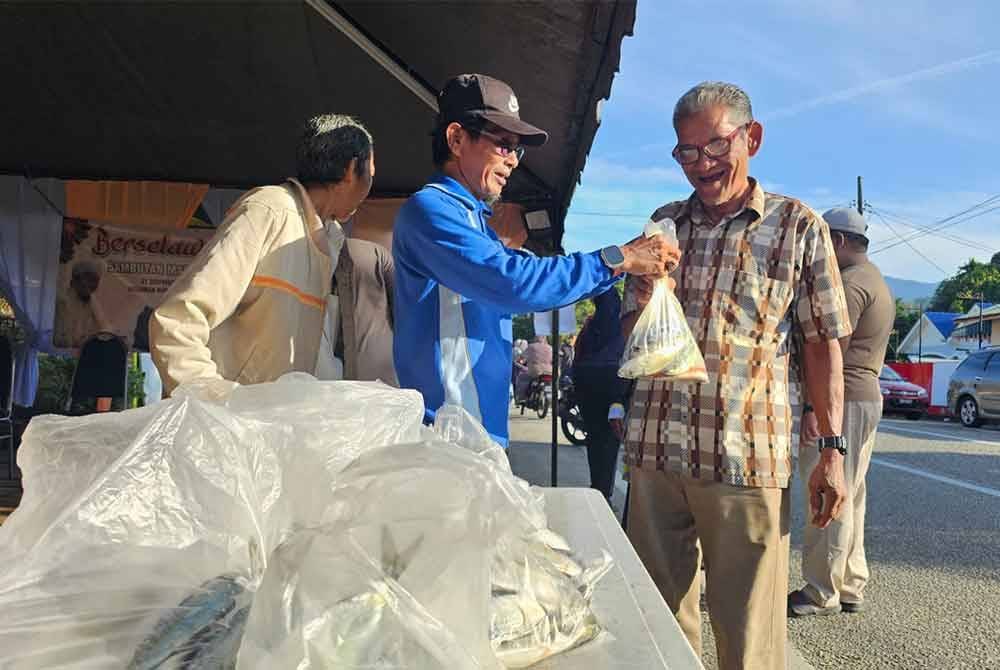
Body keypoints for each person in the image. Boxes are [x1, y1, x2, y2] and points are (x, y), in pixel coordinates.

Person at [621, 81, 852, 670]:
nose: (702, 164)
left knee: (749, 636)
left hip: (745, 458)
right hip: (655, 452)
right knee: (655, 627)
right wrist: (644, 287)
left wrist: (831, 451)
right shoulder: (663, 224)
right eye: (686, 152)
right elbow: (632, 337)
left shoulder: (798, 226)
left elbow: (823, 344)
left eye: (715, 145)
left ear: (752, 137)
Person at [392, 73, 678, 446]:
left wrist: (623, 265)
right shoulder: (432, 209)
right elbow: (515, 282)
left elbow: (534, 279)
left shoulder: (476, 223)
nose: (513, 161)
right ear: (457, 139)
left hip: (473, 433)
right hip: (449, 434)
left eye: (517, 150)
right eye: (503, 145)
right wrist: (618, 259)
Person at [150, 114, 382, 396]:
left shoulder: (331, 241)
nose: (371, 184)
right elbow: (178, 319)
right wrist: (214, 402)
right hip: (235, 430)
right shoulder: (269, 211)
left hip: (281, 428)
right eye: (370, 171)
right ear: (349, 170)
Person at [788, 208, 894, 617]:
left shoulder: (847, 285)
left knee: (826, 489)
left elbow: (831, 353)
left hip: (843, 397)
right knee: (852, 492)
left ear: (838, 242)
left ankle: (820, 591)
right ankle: (850, 583)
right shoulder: (876, 279)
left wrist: (815, 407)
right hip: (865, 394)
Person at [572, 287, 629, 500]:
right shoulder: (623, 323)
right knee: (610, 441)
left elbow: (578, 358)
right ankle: (603, 491)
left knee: (595, 439)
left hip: (588, 390)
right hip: (615, 392)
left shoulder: (590, 326)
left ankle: (599, 487)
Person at [54, 260, 111, 348]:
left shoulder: (91, 302)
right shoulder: (62, 302)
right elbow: (59, 340)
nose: (91, 284)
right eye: (88, 279)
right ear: (74, 281)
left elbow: (104, 329)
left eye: (95, 280)